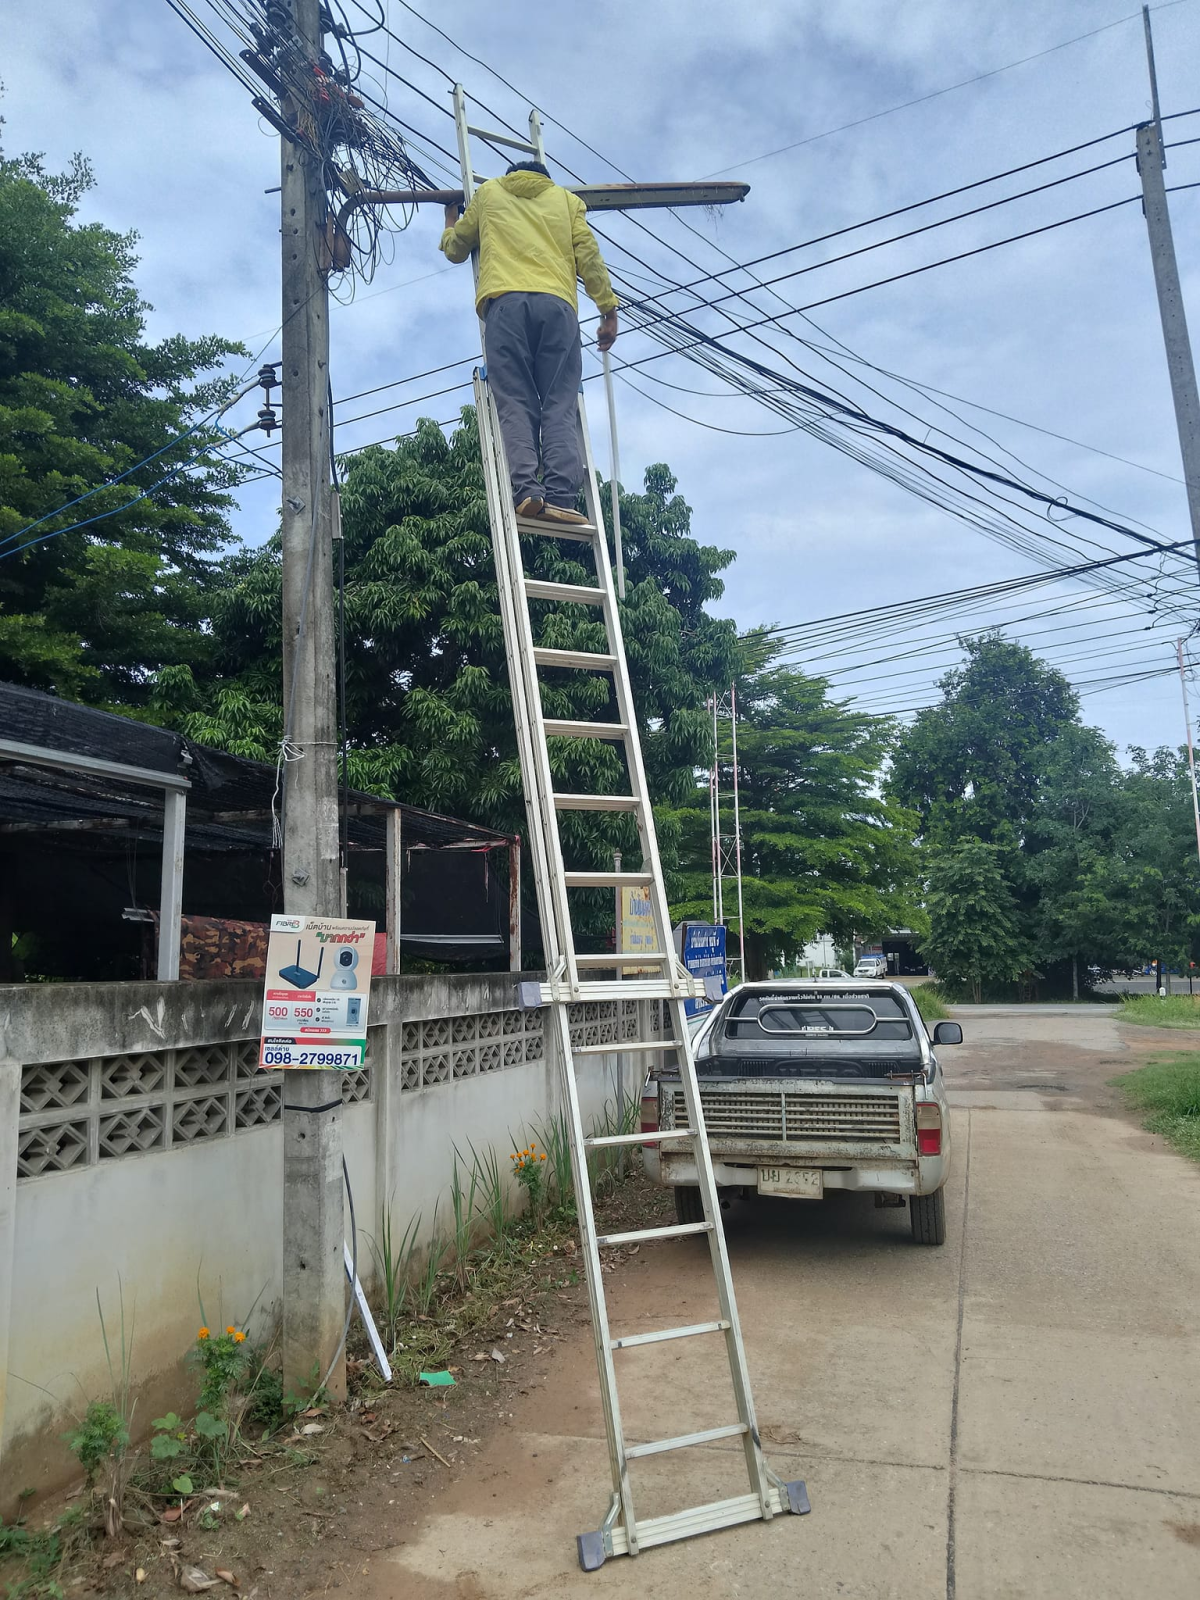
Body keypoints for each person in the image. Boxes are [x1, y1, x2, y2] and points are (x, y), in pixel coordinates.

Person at [440, 161, 619, 525]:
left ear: (511, 175)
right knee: (559, 402)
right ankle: (561, 497)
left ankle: (527, 491)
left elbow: (457, 249)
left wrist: (449, 220)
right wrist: (607, 309)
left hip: (505, 306)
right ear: (545, 178)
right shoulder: (566, 201)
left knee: (515, 400)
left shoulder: (489, 193)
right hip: (557, 308)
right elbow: (589, 257)